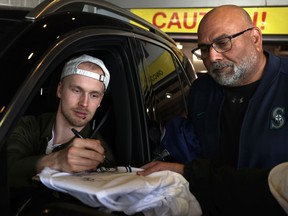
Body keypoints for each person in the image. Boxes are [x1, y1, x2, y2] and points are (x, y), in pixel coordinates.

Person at [137, 5, 288, 215]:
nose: (213, 57)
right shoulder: (201, 91)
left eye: (223, 43)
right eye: (205, 49)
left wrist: (191, 173)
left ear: (255, 38)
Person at [7, 54, 115, 190]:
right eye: (77, 90)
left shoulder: (99, 156)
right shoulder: (28, 126)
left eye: (94, 95)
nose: (84, 103)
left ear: (100, 101)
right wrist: (55, 161)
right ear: (59, 89)